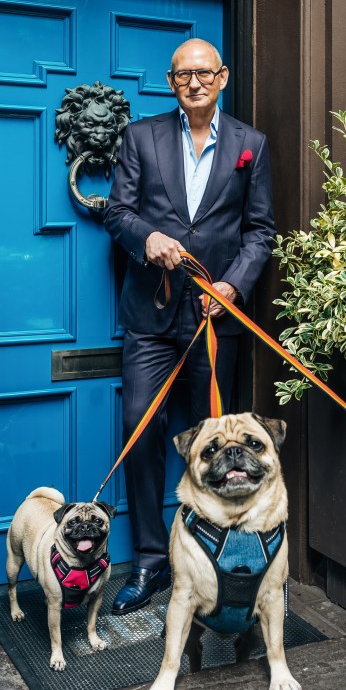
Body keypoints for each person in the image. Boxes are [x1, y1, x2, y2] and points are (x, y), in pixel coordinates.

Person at [103, 38, 276, 614]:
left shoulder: (251, 144)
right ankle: (151, 558)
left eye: (204, 73)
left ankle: (216, 550)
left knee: (216, 438)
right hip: (149, 314)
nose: (194, 82)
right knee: (140, 426)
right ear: (171, 82)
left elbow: (259, 232)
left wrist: (232, 286)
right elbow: (116, 211)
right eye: (183, 75)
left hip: (213, 317)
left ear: (222, 77)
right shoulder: (140, 136)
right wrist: (145, 238)